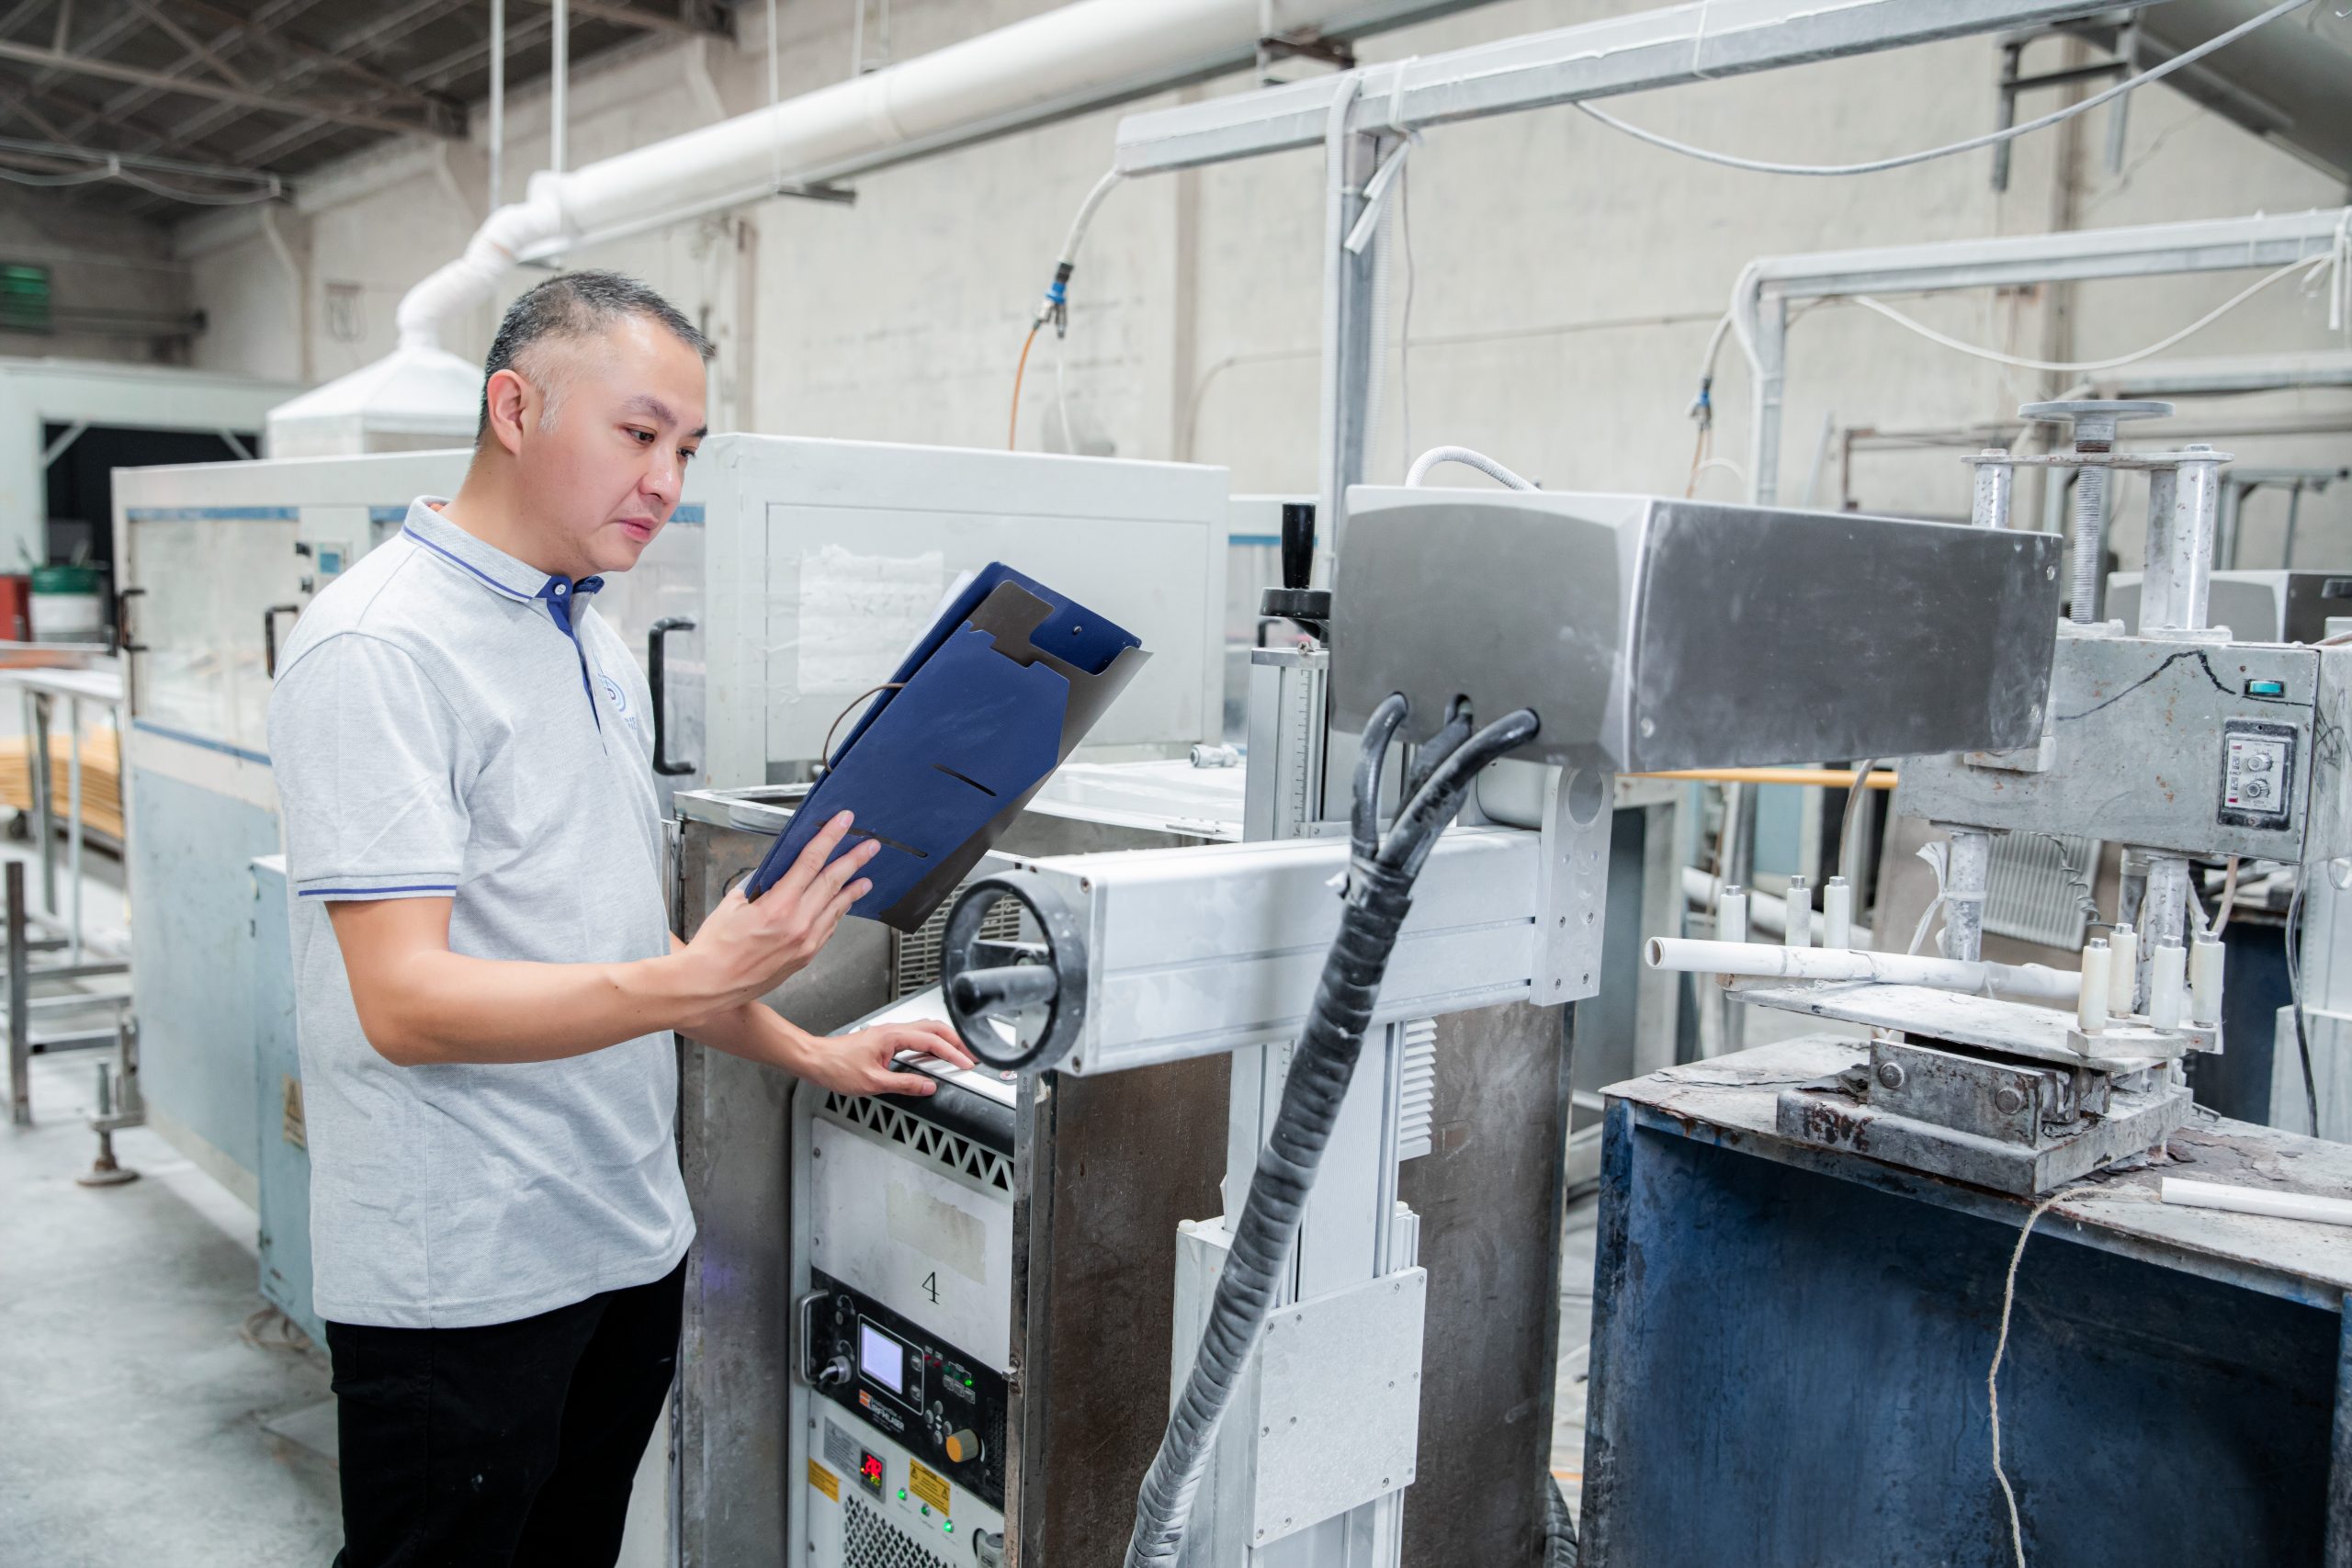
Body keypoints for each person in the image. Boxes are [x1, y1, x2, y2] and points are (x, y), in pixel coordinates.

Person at [266, 270, 974, 1568]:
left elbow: (622, 951)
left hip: (622, 1236)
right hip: (465, 1278)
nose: (665, 480)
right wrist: (700, 971)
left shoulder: (585, 635)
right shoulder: (380, 646)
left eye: (687, 449)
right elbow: (406, 1005)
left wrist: (815, 1053)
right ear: (516, 407)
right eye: (639, 434)